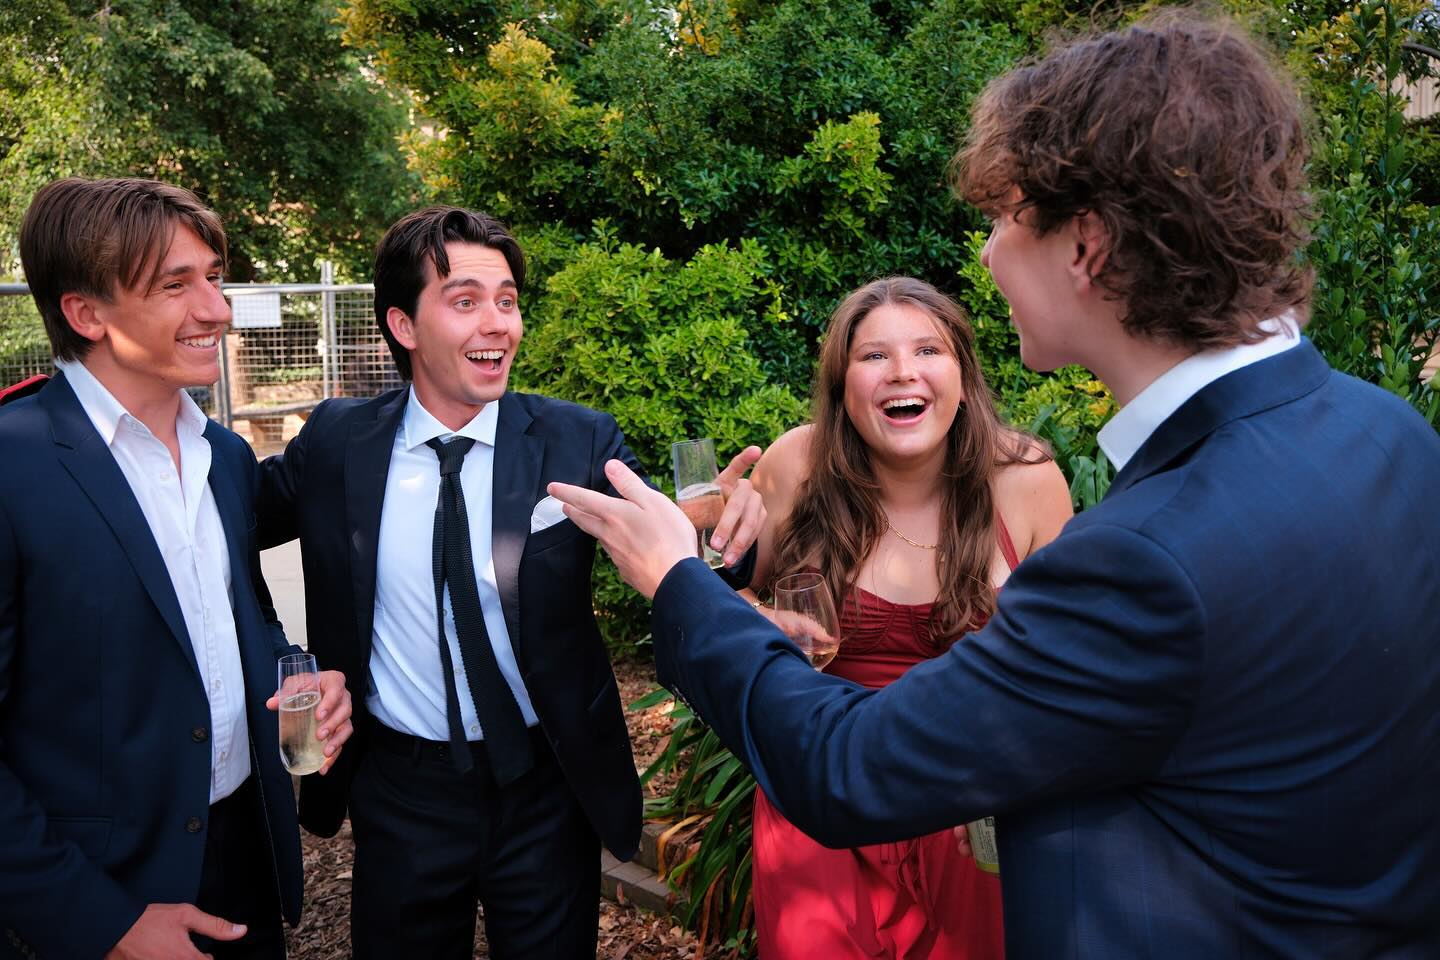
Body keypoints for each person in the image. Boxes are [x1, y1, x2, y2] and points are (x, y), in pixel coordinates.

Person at [548, 17, 1440, 957]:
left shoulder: (1140, 558)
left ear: (1085, 245)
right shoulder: (1389, 432)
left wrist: (677, 579)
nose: (983, 257)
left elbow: (846, 769)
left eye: (1001, 219)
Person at [255, 205, 765, 959]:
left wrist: (726, 536)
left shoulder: (576, 438)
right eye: (465, 302)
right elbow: (216, 538)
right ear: (403, 325)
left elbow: (672, 543)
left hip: (544, 789)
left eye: (507, 301)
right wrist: (282, 656)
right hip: (399, 794)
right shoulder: (335, 443)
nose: (498, 324)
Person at [0, 177, 353, 960]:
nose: (217, 311)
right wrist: (102, 921)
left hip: (247, 858)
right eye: (175, 285)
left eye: (215, 278)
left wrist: (300, 671)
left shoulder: (225, 456)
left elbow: (241, 614)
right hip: (96, 894)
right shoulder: (12, 466)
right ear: (85, 313)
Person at [741, 277, 1070, 958]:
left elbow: (1065, 665)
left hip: (967, 810)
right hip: (820, 795)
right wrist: (754, 617)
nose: (903, 373)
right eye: (873, 356)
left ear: (962, 373)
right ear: (841, 383)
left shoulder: (1028, 478)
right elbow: (731, 608)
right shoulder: (795, 465)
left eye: (928, 349)